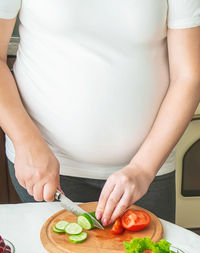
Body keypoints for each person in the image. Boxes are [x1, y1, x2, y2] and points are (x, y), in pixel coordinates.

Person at [0, 0, 199, 226]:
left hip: (147, 171)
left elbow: (188, 77)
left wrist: (143, 169)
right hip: (46, 167)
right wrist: (26, 142)